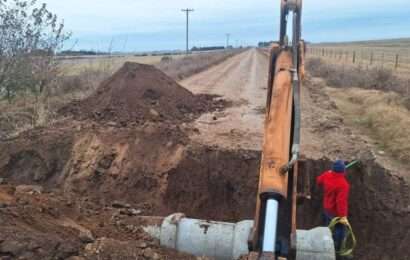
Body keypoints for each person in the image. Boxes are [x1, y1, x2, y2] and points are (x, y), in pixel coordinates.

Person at [316, 160, 350, 252]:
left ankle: (326, 240)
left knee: (328, 226)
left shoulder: (327, 174)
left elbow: (319, 180)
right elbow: (341, 202)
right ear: (343, 171)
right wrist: (343, 217)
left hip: (327, 208)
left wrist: (329, 173)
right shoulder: (343, 185)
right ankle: (336, 248)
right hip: (336, 212)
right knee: (340, 230)